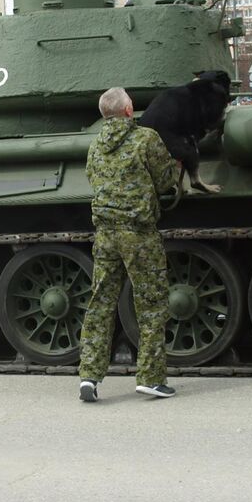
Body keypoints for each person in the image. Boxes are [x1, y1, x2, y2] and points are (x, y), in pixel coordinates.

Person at [77, 86, 181, 402]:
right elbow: (166, 182)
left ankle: (89, 378)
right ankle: (150, 378)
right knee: (150, 302)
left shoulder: (95, 146)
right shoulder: (145, 139)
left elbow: (94, 180)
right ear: (127, 110)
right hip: (138, 234)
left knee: (101, 301)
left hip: (106, 234)